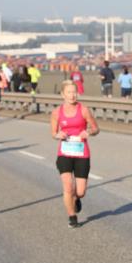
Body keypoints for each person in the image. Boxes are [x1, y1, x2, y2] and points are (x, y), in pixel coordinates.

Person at [51, 82, 99, 229]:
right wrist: (58, 134)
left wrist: (89, 132)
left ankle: (76, 199)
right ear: (63, 95)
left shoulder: (84, 110)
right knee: (67, 186)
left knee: (80, 191)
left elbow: (96, 128)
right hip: (65, 152)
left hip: (81, 152)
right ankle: (72, 217)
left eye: (74, 92)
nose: (72, 95)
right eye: (69, 92)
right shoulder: (56, 112)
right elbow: (53, 133)